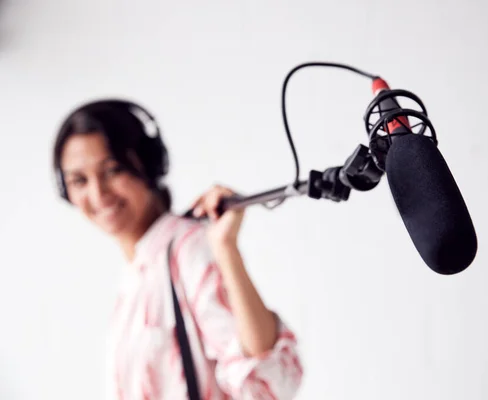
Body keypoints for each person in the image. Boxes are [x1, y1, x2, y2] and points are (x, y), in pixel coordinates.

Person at [52, 99, 304, 400]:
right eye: (79, 180)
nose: (98, 193)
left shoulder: (189, 249)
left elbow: (267, 385)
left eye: (112, 170)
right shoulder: (137, 274)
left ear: (147, 163)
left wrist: (225, 249)